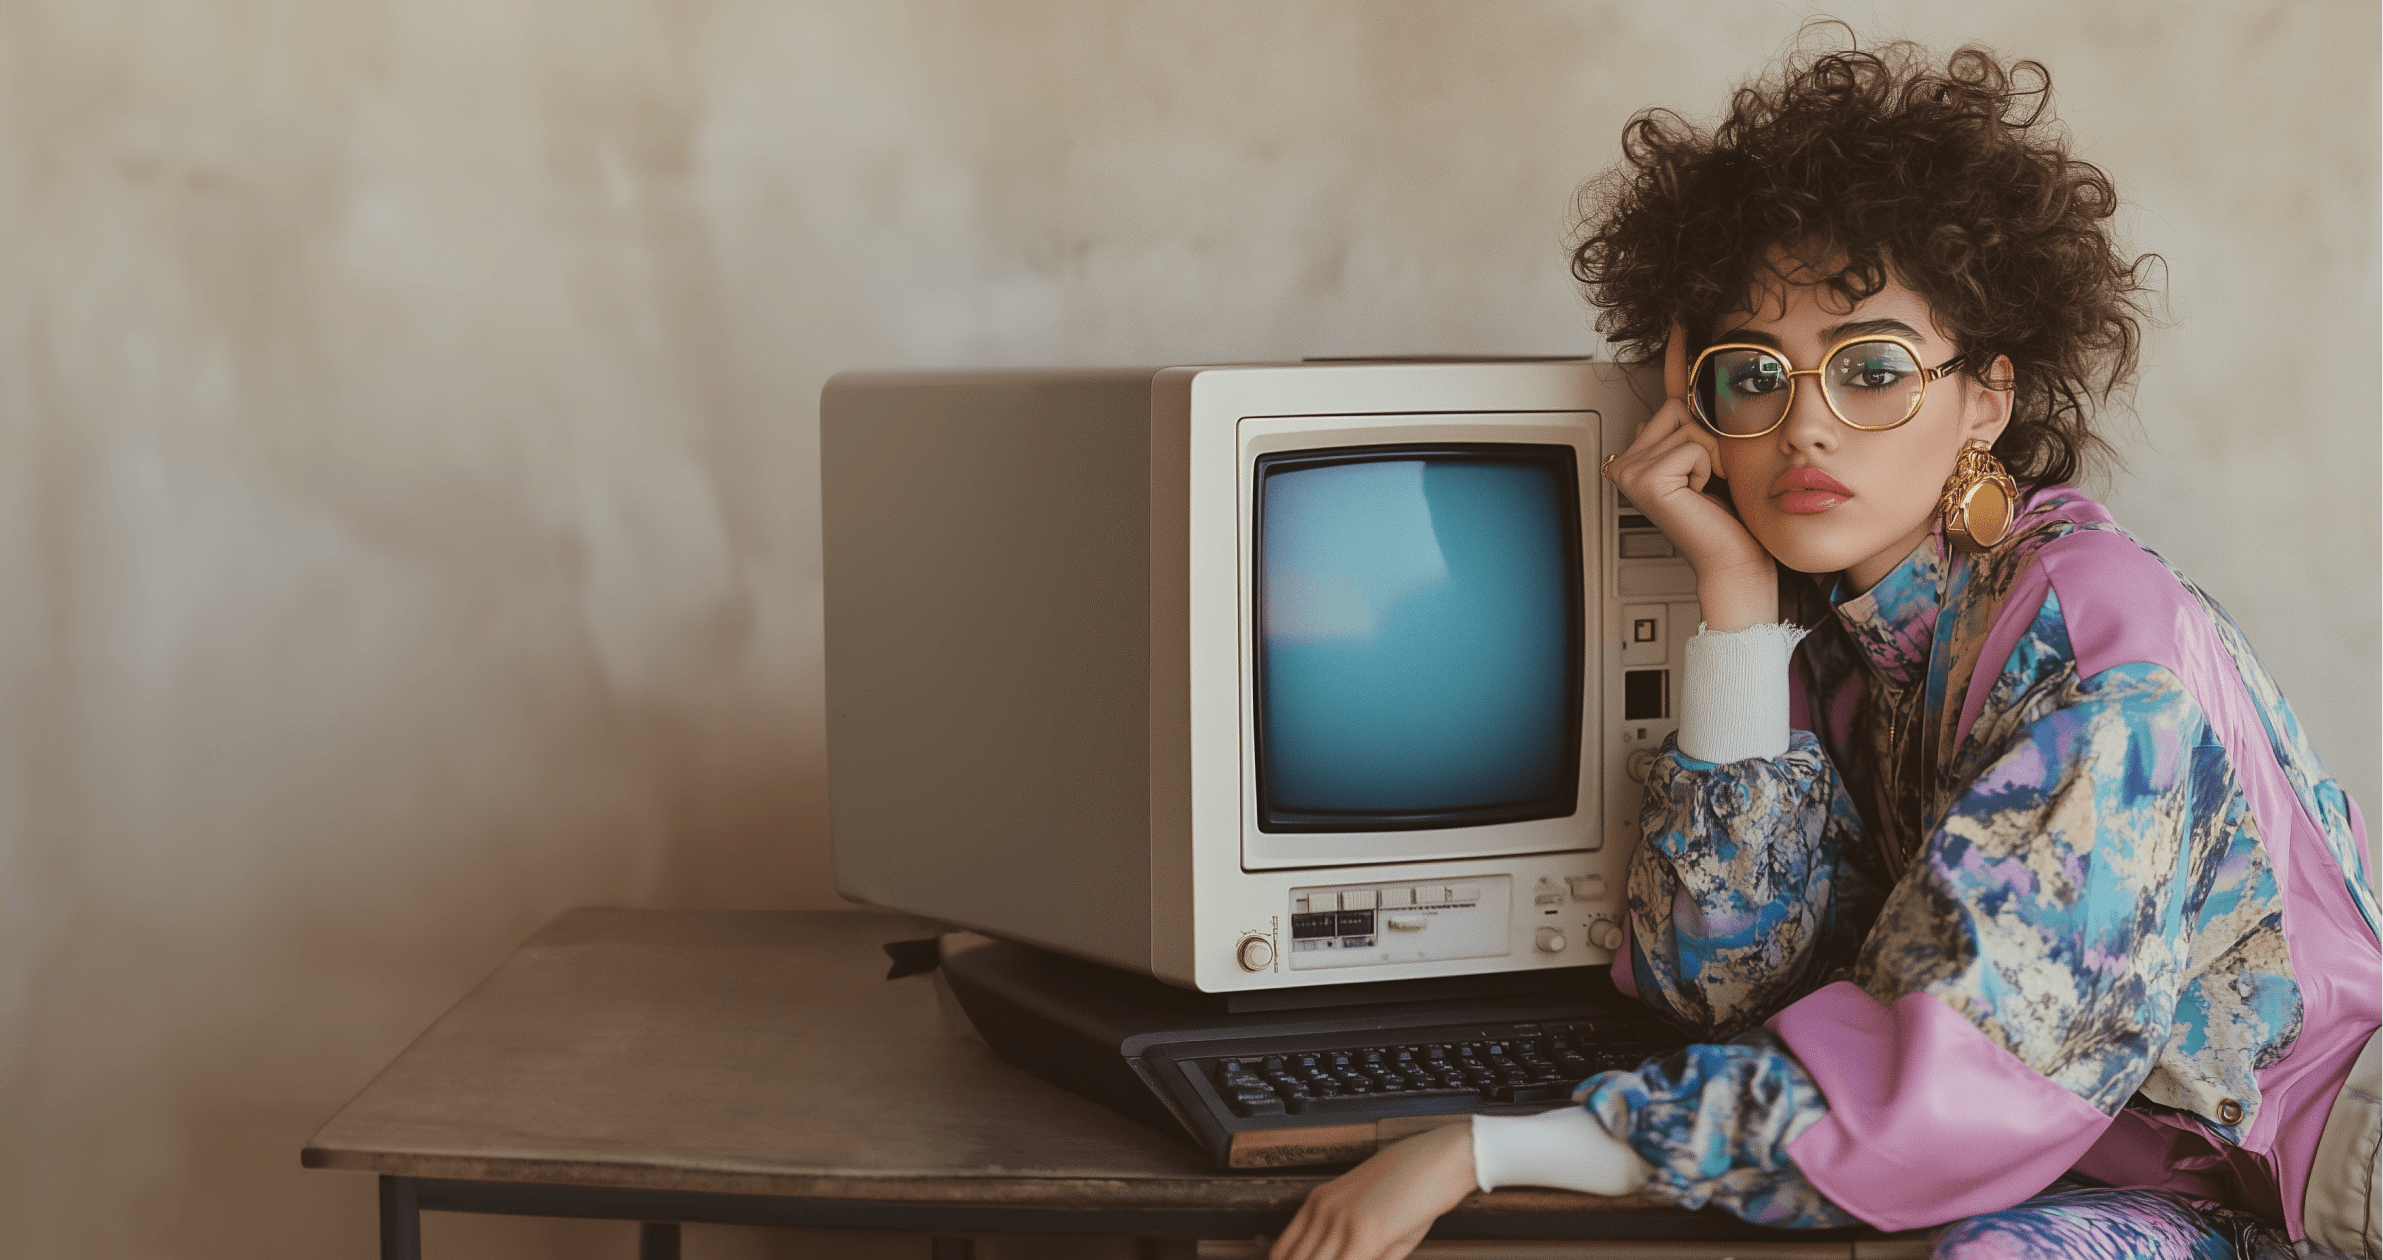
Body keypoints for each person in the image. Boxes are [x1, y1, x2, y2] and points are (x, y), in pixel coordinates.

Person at [1268, 36, 2382, 1260]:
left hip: (2340, 1181)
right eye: (1752, 377)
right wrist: (1736, 598)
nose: (1805, 426)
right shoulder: (1840, 661)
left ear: (1988, 399)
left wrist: (1493, 1146)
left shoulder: (2097, 636)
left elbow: (1962, 1070)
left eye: (1871, 370)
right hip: (2153, 1188)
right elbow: (1721, 985)